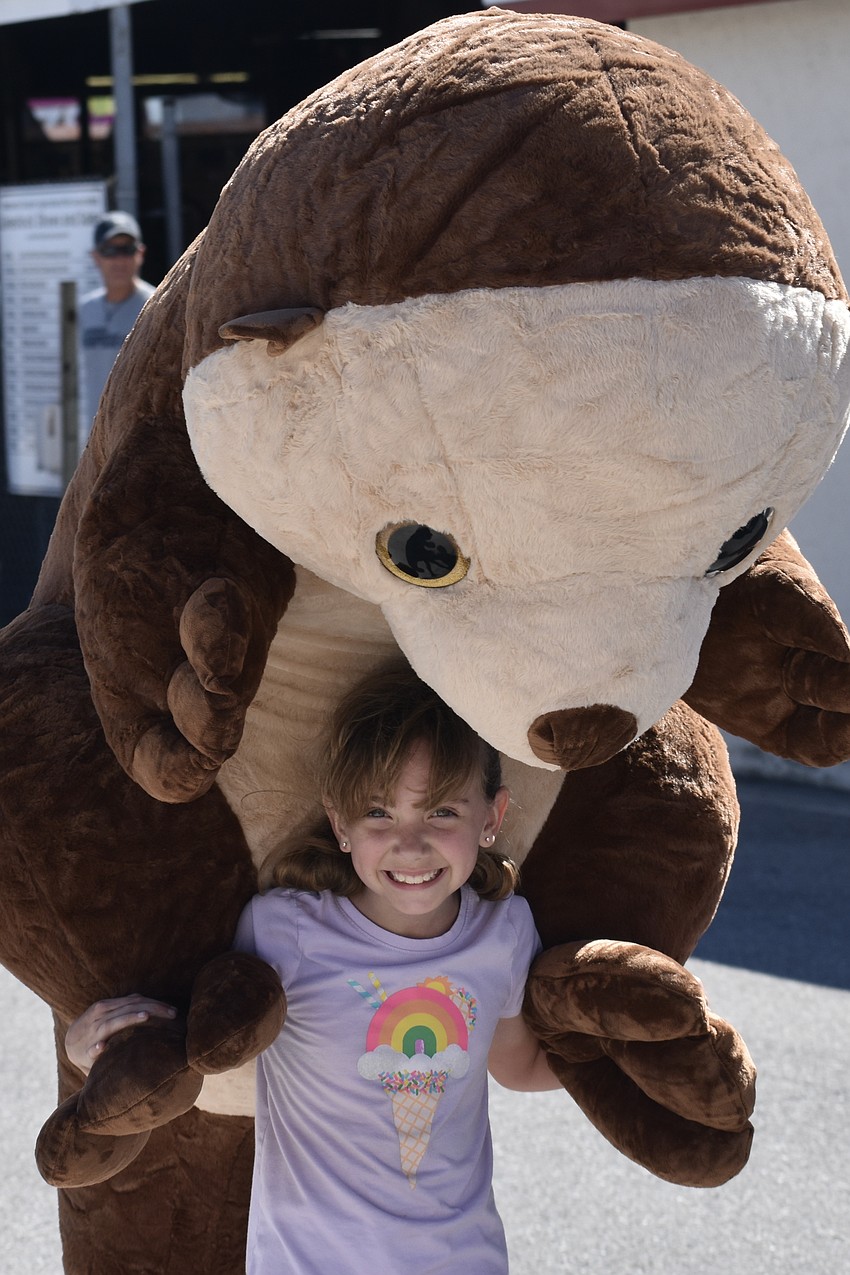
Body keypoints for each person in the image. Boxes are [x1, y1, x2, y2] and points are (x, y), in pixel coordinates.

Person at [66, 665, 560, 1274]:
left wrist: (635, 1060)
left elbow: (519, 1065)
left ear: (492, 817)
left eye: (441, 813)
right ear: (339, 823)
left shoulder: (504, 934)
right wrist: (93, 1051)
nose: (410, 845)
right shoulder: (286, 932)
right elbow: (200, 1048)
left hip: (463, 1261)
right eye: (378, 812)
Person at [79, 211, 156, 430]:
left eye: (127, 250)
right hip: (92, 433)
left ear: (140, 253)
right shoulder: (85, 309)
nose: (119, 260)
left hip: (140, 433)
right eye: (110, 251)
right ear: (96, 257)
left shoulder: (156, 306)